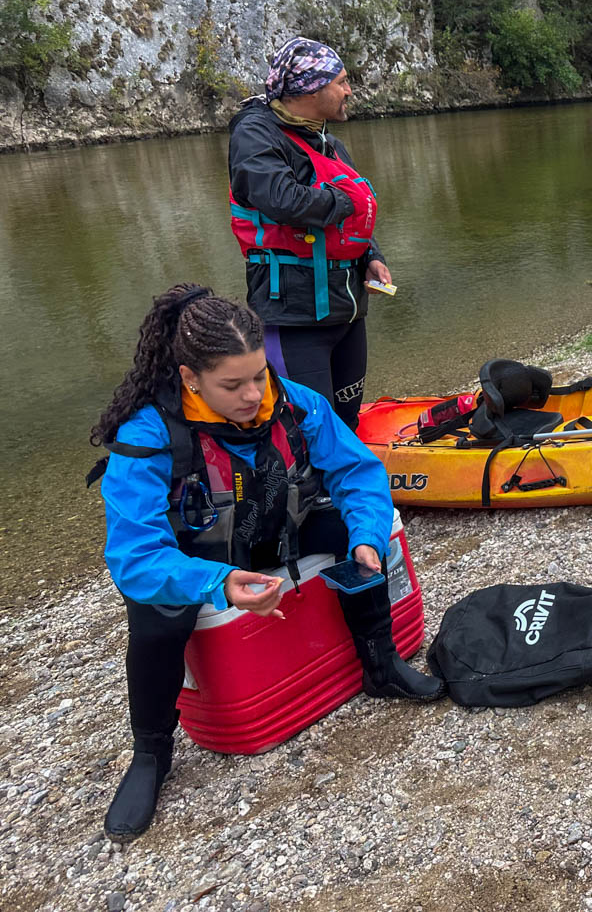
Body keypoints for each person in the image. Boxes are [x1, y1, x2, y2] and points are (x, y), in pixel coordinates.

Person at [89, 283, 443, 844]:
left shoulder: (296, 400)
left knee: (357, 532)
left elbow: (359, 473)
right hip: (203, 556)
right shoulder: (148, 437)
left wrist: (369, 535)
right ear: (189, 378)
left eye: (259, 375)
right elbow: (134, 558)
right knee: (156, 606)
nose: (254, 395)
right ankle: (151, 752)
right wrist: (218, 582)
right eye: (233, 385)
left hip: (277, 528)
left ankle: (381, 665)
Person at [227, 36, 390, 430]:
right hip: (293, 316)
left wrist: (372, 256)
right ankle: (305, 490)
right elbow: (281, 200)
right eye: (341, 82)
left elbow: (347, 224)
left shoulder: (329, 143)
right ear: (311, 89)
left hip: (346, 311)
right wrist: (348, 201)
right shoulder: (254, 136)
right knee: (308, 425)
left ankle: (341, 487)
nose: (349, 90)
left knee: (346, 417)